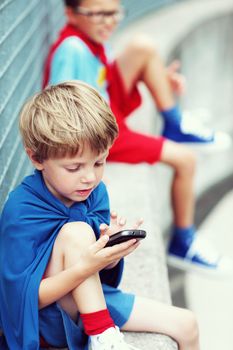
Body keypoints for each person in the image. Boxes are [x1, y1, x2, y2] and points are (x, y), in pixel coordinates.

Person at [0, 81, 200, 350]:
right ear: (36, 159)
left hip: (91, 300)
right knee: (76, 232)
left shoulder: (94, 192)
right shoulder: (21, 211)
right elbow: (21, 299)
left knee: (187, 324)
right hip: (48, 320)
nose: (90, 177)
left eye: (99, 162)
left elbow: (99, 273)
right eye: (74, 167)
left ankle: (101, 331)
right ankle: (102, 336)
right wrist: (86, 266)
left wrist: (110, 254)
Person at [42, 0, 232, 275]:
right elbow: (56, 105)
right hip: (99, 134)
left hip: (105, 113)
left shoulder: (92, 41)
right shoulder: (72, 49)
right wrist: (87, 162)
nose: (108, 21)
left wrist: (160, 80)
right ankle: (183, 243)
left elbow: (104, 83)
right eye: (97, 14)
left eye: (113, 13)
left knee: (142, 46)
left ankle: (174, 122)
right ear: (70, 13)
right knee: (186, 160)